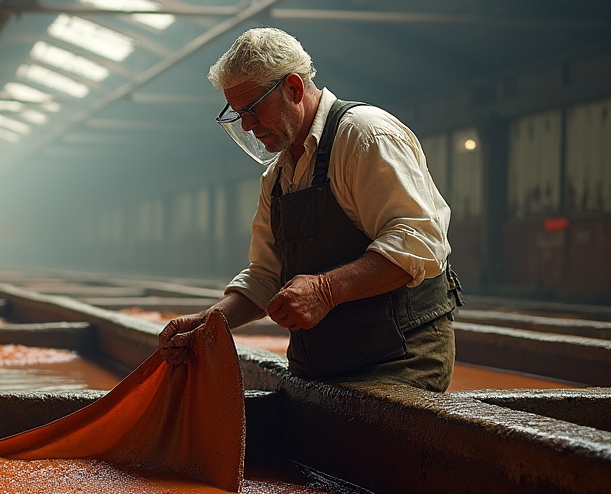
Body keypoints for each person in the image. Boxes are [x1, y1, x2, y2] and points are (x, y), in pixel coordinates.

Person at [159, 28, 460, 391]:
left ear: (294, 89)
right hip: (323, 364)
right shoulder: (278, 175)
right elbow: (267, 275)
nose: (248, 126)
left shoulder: (364, 137)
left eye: (253, 109)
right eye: (239, 114)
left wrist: (325, 290)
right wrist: (209, 322)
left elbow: (419, 240)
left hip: (398, 360)